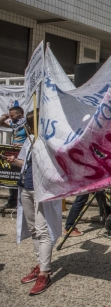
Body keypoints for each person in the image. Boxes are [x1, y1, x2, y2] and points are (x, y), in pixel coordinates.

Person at [7, 111, 62, 295]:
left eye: (29, 124)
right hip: (25, 188)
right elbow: (25, 163)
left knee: (42, 230)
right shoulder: (30, 140)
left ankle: (45, 273)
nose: (28, 127)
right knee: (32, 230)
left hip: (41, 191)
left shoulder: (50, 140)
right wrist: (15, 161)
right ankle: (41, 264)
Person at [0, 106, 27, 209]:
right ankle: (12, 200)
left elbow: (32, 137)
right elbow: (1, 124)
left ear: (20, 115)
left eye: (13, 115)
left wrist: (21, 145)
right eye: (10, 115)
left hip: (23, 151)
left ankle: (22, 200)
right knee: (12, 175)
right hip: (13, 152)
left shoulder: (27, 124)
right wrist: (4, 117)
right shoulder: (13, 124)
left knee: (20, 175)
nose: (11, 117)